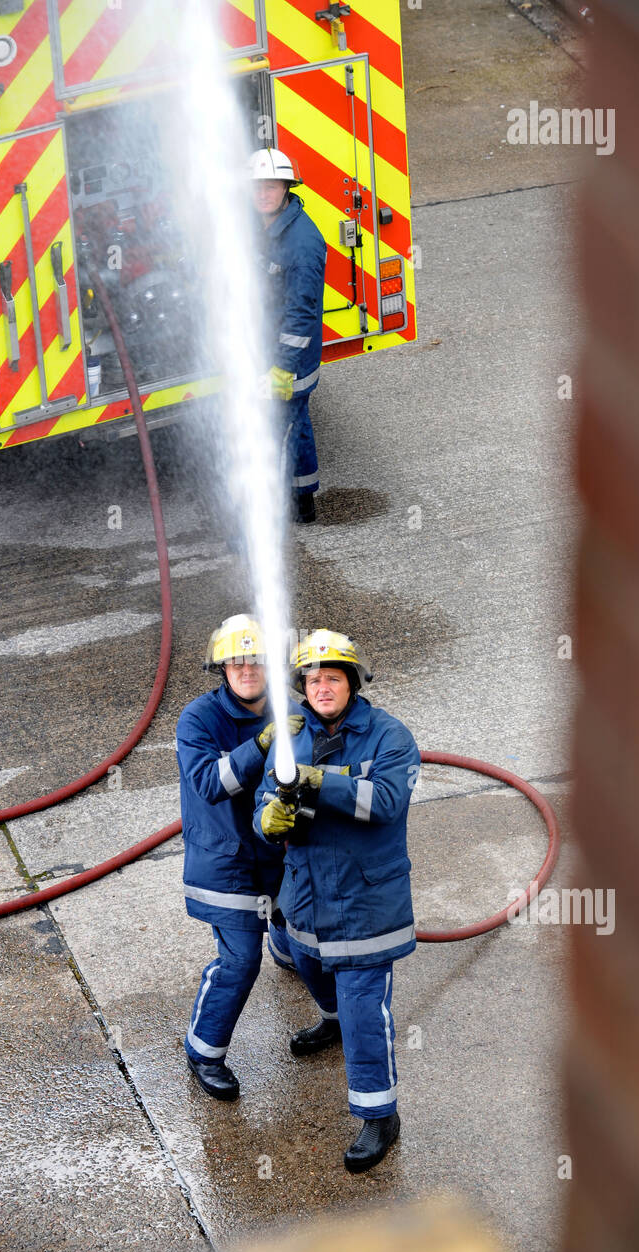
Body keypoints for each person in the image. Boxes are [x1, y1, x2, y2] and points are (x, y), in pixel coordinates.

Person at [253, 629, 420, 1172]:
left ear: (353, 681)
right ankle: (330, 1021)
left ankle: (379, 1115)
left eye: (332, 677)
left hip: (366, 905)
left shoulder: (390, 736)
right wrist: (266, 818)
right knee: (308, 966)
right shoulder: (290, 734)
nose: (322, 687)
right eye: (312, 679)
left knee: (362, 1006)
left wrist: (318, 779)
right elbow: (262, 797)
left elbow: (385, 802)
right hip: (306, 898)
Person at [177, 614, 303, 1101]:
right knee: (239, 962)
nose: (247, 668)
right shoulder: (198, 719)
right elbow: (210, 784)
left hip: (278, 853)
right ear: (222, 668)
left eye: (257, 659)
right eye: (237, 660)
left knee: (306, 930)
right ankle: (204, 1051)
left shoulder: (289, 710)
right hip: (225, 864)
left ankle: (286, 947)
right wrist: (263, 744)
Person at [248, 147, 327, 525]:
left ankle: (290, 504)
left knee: (284, 428)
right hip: (270, 352)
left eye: (272, 186)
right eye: (258, 186)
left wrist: (281, 368)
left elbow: (301, 314)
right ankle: (301, 499)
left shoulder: (303, 242)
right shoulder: (263, 226)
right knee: (296, 423)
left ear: (286, 188)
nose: (264, 193)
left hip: (289, 361)